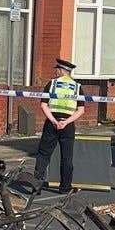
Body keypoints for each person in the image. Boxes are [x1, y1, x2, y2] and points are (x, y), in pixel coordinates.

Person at [34, 57, 82, 191]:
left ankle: (36, 186)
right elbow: (81, 110)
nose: (55, 72)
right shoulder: (77, 87)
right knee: (67, 157)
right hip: (68, 125)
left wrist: (54, 121)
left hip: (52, 122)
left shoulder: (52, 84)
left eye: (57, 70)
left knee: (43, 154)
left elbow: (43, 105)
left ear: (62, 71)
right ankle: (65, 187)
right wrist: (66, 122)